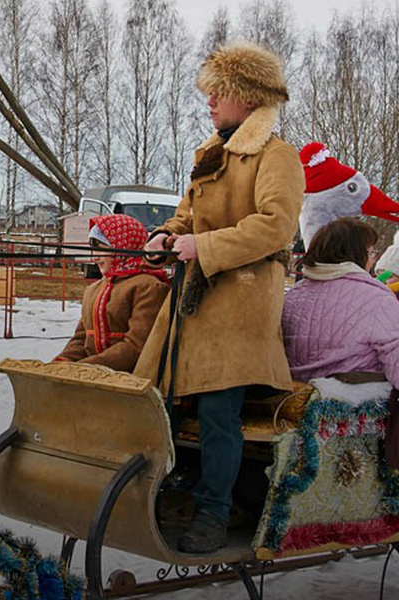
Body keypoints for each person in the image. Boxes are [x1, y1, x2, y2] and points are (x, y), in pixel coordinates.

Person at [135, 42, 305, 554]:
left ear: (249, 98)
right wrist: (164, 237)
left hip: (239, 311)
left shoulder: (277, 156)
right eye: (209, 92)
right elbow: (187, 218)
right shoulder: (211, 153)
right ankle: (165, 493)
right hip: (193, 307)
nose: (209, 101)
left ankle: (214, 514)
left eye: (220, 92)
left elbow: (276, 227)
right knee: (158, 403)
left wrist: (202, 246)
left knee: (216, 415)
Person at [283, 218, 399, 387]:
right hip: (357, 400)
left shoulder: (293, 296)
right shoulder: (377, 300)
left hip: (293, 397)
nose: (372, 261)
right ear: (358, 254)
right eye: (371, 253)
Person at [54, 214, 169, 372]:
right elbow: (81, 339)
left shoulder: (148, 286)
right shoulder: (94, 289)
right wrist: (60, 364)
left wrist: (84, 369)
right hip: (92, 379)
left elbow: (137, 346)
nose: (95, 257)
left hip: (132, 382)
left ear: (123, 246)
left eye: (102, 250)